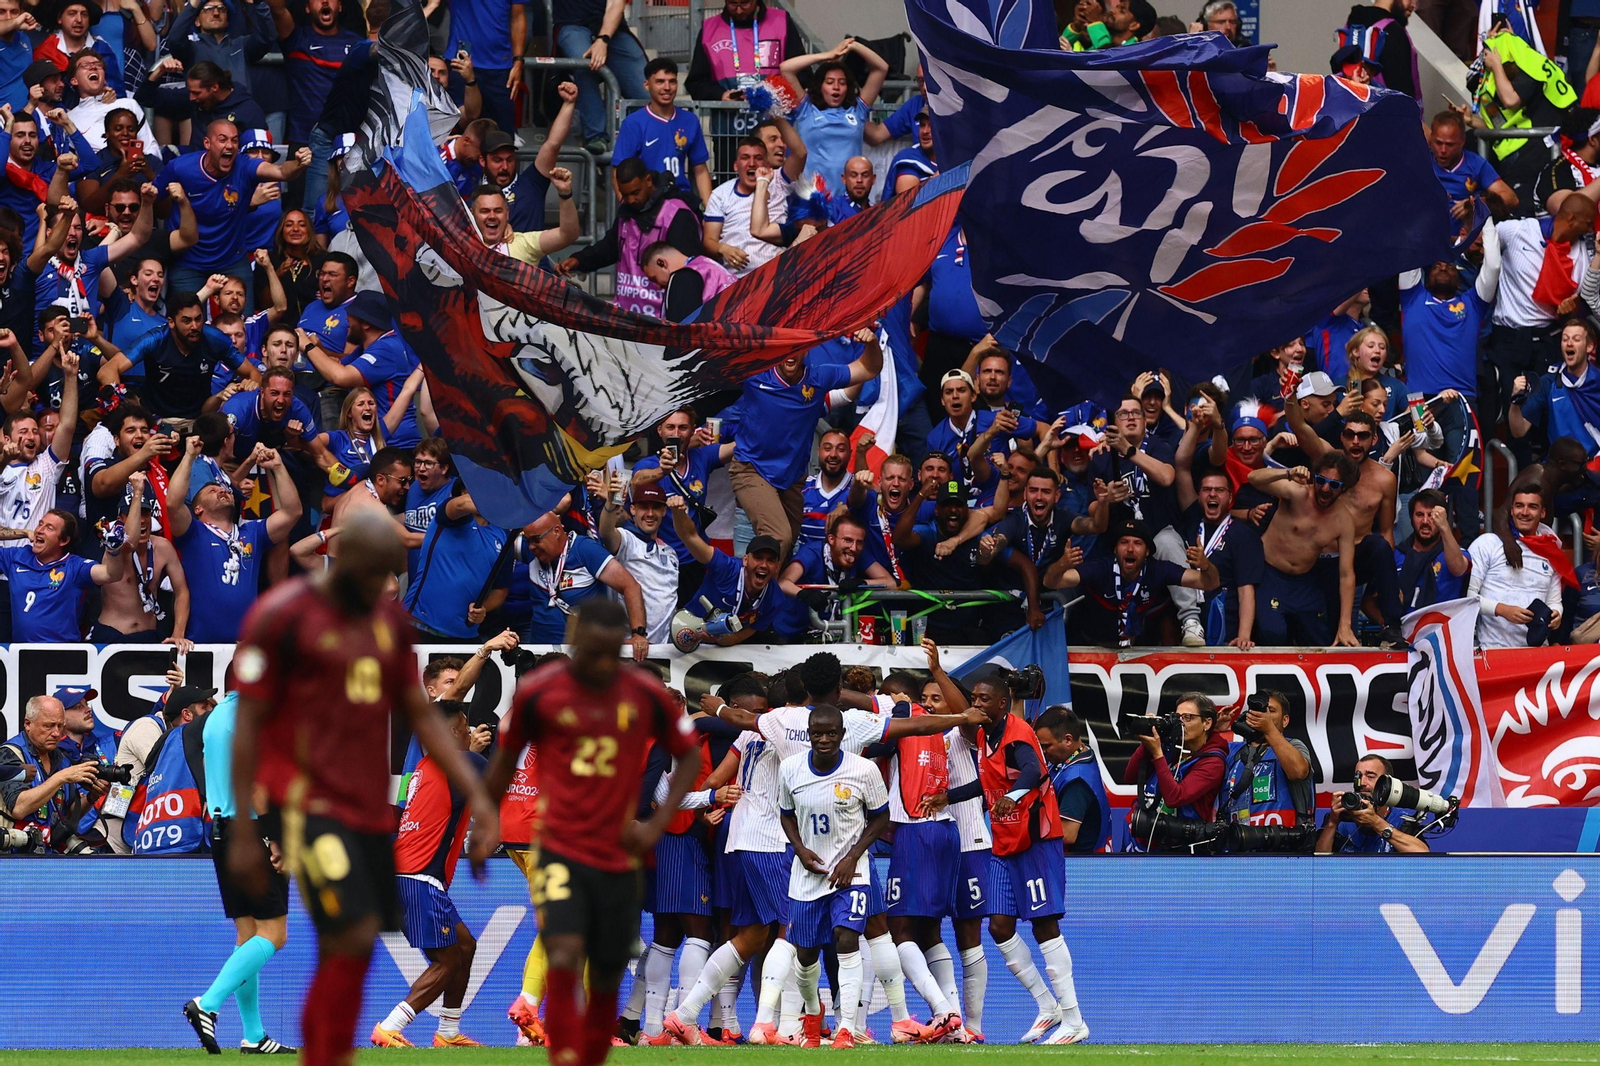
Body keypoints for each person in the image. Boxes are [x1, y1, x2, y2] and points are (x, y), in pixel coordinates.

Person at [227, 508, 498, 1066]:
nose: (383, 585)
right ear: (342, 557)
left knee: (352, 951)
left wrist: (480, 800)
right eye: (375, 570)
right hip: (308, 804)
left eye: (389, 574)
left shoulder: (387, 626)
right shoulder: (280, 616)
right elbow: (246, 723)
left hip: (366, 810)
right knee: (344, 939)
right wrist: (250, 831)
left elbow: (422, 716)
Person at [484, 598, 701, 1066]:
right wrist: (486, 821)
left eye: (606, 650)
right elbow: (504, 759)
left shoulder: (643, 694)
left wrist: (656, 823)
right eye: (590, 648)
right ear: (574, 639)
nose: (597, 661)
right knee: (563, 950)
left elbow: (689, 756)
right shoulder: (541, 691)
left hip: (616, 852)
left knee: (605, 967)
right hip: (557, 845)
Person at [969, 672, 1087, 1045]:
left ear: (1003, 703)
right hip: (1005, 842)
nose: (976, 704)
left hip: (1036, 840)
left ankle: (1074, 1020)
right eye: (973, 698)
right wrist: (948, 796)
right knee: (999, 926)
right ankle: (1046, 1005)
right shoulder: (983, 735)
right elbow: (988, 784)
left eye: (983, 699)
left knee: (1044, 925)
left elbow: (1034, 771)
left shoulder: (1018, 733)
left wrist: (1014, 796)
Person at [182, 688, 295, 1057]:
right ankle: (207, 1003)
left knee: (249, 936)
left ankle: (254, 1036)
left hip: (223, 831)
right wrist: (277, 838)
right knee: (274, 934)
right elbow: (258, 785)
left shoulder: (217, 716)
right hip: (253, 832)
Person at [370, 702, 489, 1048]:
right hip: (419, 877)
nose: (470, 732)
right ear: (452, 731)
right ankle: (389, 1027)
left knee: (464, 946)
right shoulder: (464, 762)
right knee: (447, 961)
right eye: (465, 727)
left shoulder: (424, 765)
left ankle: (448, 1032)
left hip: (406, 873)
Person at [775, 704, 891, 1049]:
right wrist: (799, 849)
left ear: (842, 734)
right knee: (805, 956)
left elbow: (881, 817)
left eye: (830, 733)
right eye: (817, 734)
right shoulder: (791, 768)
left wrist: (853, 856)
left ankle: (846, 1028)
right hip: (808, 875)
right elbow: (786, 814)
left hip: (851, 873)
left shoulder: (864, 770)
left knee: (846, 938)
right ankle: (813, 1012)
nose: (824, 739)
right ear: (808, 735)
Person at [728, 335, 880, 555]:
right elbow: (714, 364)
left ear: (807, 350)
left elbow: (869, 368)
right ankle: (748, 578)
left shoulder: (818, 378)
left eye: (796, 348)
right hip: (751, 468)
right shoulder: (755, 375)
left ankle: (766, 578)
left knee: (789, 546)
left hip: (791, 477)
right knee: (778, 538)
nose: (790, 355)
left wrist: (872, 342)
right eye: (784, 348)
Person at [166, 433, 302, 643]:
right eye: (213, 490)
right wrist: (189, 456)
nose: (222, 491)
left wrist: (278, 467)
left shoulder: (252, 532)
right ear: (198, 508)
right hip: (200, 646)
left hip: (244, 644)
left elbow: (293, 512)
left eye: (225, 489)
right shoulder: (193, 533)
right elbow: (173, 503)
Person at [156, 119, 311, 301]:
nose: (229, 145)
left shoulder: (244, 166)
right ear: (207, 143)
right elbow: (155, 201)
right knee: (187, 316)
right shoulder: (180, 167)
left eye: (234, 140)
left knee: (243, 317)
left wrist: (298, 163)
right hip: (188, 261)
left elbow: (281, 171)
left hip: (232, 259)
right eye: (223, 139)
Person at [555, 159, 701, 319]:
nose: (630, 200)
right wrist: (579, 260)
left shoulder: (676, 215)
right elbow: (610, 247)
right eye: (625, 194)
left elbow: (688, 272)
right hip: (626, 316)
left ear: (648, 181)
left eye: (635, 192)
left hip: (661, 320)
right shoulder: (628, 211)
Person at [1045, 519, 1219, 648]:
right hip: (1091, 646)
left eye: (1137, 543)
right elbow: (1051, 582)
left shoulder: (1158, 569)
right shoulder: (1100, 568)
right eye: (1124, 542)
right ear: (1115, 549)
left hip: (1135, 650)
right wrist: (1061, 565)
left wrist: (1206, 566)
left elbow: (1210, 583)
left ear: (1147, 551)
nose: (1130, 549)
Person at [1247, 456, 1360, 647]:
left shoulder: (1344, 520)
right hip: (1269, 573)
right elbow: (1253, 478)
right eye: (1321, 481)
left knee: (1319, 638)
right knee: (1272, 632)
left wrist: (1345, 624)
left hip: (1303, 581)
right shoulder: (1297, 492)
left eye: (1333, 485)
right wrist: (1287, 473)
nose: (1325, 489)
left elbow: (1346, 574)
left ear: (1344, 488)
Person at [100, 292, 258, 419]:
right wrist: (120, 407)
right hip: (155, 419)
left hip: (199, 420)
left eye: (198, 319)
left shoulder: (215, 339)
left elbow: (254, 374)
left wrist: (250, 384)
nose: (194, 326)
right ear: (171, 322)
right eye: (186, 321)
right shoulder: (155, 339)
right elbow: (107, 370)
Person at [299, 289, 424, 448]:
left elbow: (340, 377)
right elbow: (338, 366)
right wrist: (319, 350)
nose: (346, 320)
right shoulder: (370, 346)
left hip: (395, 445)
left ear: (366, 324)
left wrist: (308, 347)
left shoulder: (387, 349)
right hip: (376, 442)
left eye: (351, 316)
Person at [2, 502, 127, 642]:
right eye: (40, 524)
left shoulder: (74, 567)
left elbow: (111, 574)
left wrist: (113, 549)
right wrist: (24, 532)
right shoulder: (16, 557)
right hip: (20, 652)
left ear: (64, 540)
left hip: (61, 652)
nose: (39, 530)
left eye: (49, 528)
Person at [779, 39, 889, 199]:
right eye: (830, 82)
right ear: (820, 86)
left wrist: (853, 45)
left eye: (842, 83)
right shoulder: (806, 109)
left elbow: (881, 68)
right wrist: (828, 55)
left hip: (849, 198)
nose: (836, 87)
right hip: (812, 198)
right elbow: (786, 68)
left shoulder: (857, 110)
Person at [1122, 692, 1231, 851]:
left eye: (1187, 717)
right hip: (1143, 837)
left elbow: (1175, 798)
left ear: (1207, 723)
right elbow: (1130, 777)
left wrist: (1157, 754)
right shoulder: (1172, 747)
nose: (1180, 723)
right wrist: (1147, 743)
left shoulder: (1213, 762)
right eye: (1178, 717)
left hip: (1178, 849)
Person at [403, 482, 509, 643]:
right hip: (421, 624)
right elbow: (461, 505)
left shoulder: (502, 533)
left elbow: (501, 589)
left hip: (466, 635)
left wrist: (483, 608)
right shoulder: (449, 516)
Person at [91, 474, 191, 645]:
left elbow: (182, 591)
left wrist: (178, 633)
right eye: (134, 514)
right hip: (113, 637)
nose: (142, 520)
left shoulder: (163, 547)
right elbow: (129, 542)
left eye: (146, 513)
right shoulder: (113, 545)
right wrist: (137, 493)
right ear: (120, 520)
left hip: (148, 636)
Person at [1467, 482, 1569, 648]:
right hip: (1493, 649)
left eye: (1532, 507)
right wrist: (1501, 609)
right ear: (1512, 510)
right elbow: (1468, 597)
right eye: (1519, 506)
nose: (1525, 512)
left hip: (1538, 653)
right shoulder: (1487, 544)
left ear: (1543, 513)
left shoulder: (1551, 552)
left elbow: (1554, 601)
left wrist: (1557, 613)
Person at [0, 695, 106, 849]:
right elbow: (19, 808)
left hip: (49, 856)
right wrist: (62, 777)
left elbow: (66, 815)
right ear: (28, 724)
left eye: (60, 726)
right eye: (48, 726)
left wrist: (92, 797)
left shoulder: (61, 758)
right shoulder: (10, 753)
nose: (56, 733)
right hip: (13, 857)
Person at [614, 58, 712, 207]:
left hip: (680, 200)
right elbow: (617, 172)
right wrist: (629, 209)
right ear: (647, 85)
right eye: (660, 82)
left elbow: (700, 170)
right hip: (647, 203)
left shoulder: (690, 120)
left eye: (672, 82)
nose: (667, 87)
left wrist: (710, 211)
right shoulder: (634, 123)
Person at [0, 349, 78, 532]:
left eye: (35, 431)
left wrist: (71, 376)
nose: (30, 436)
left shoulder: (47, 464)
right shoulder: (3, 468)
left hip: (36, 549)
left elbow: (67, 425)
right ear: (7, 439)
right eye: (23, 431)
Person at [597, 476, 678, 645]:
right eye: (644, 507)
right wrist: (610, 503)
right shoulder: (627, 540)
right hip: (633, 644)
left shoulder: (671, 553)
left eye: (656, 508)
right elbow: (606, 532)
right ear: (633, 509)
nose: (650, 514)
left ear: (664, 511)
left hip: (665, 648)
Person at [1220, 691, 1313, 836]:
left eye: (1271, 711)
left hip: (1285, 844)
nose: (1264, 715)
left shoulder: (1294, 746)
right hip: (1239, 844)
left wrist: (1269, 729)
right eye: (1260, 711)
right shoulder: (1232, 750)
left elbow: (1298, 772)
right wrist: (1215, 730)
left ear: (1285, 720)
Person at [685, 0, 802, 102]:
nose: (739, 10)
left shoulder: (781, 21)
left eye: (745, 3)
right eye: (732, 3)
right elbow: (695, 83)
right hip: (727, 118)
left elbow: (802, 74)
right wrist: (720, 95)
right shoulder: (709, 29)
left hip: (775, 116)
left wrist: (776, 93)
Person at [703, 139, 787, 279]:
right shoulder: (720, 195)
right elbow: (708, 241)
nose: (752, 163)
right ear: (736, 166)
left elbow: (800, 154)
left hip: (776, 275)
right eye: (745, 158)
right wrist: (723, 249)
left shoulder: (779, 186)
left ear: (767, 165)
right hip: (735, 279)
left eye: (758, 158)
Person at [1033, 706, 1110, 854]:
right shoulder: (1081, 751)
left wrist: (1023, 826)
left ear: (1068, 740)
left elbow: (1067, 835)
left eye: (1047, 746)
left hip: (1080, 863)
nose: (1043, 751)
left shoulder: (1076, 782)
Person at [1316, 753, 1430, 854]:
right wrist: (1332, 823)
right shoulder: (1341, 816)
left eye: (1370, 776)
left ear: (1387, 784)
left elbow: (1424, 856)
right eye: (1358, 776)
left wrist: (1376, 822)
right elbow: (1319, 865)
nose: (1362, 783)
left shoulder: (1403, 821)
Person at [465, 174, 580, 266]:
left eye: (498, 211)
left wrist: (565, 194)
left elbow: (567, 235)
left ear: (507, 214)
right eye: (485, 211)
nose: (492, 216)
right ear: (472, 214)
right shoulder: (460, 245)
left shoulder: (523, 244)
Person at [1395, 489, 1471, 611]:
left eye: (1432, 515)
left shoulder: (1456, 553)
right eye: (1419, 515)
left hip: (1444, 622)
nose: (1425, 521)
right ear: (1411, 517)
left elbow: (1458, 568)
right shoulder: (1396, 554)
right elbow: (1369, 601)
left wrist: (1444, 527)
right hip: (1404, 622)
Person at [639, 241, 734, 324]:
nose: (658, 287)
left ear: (661, 263)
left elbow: (682, 332)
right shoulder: (710, 266)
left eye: (654, 279)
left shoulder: (683, 278)